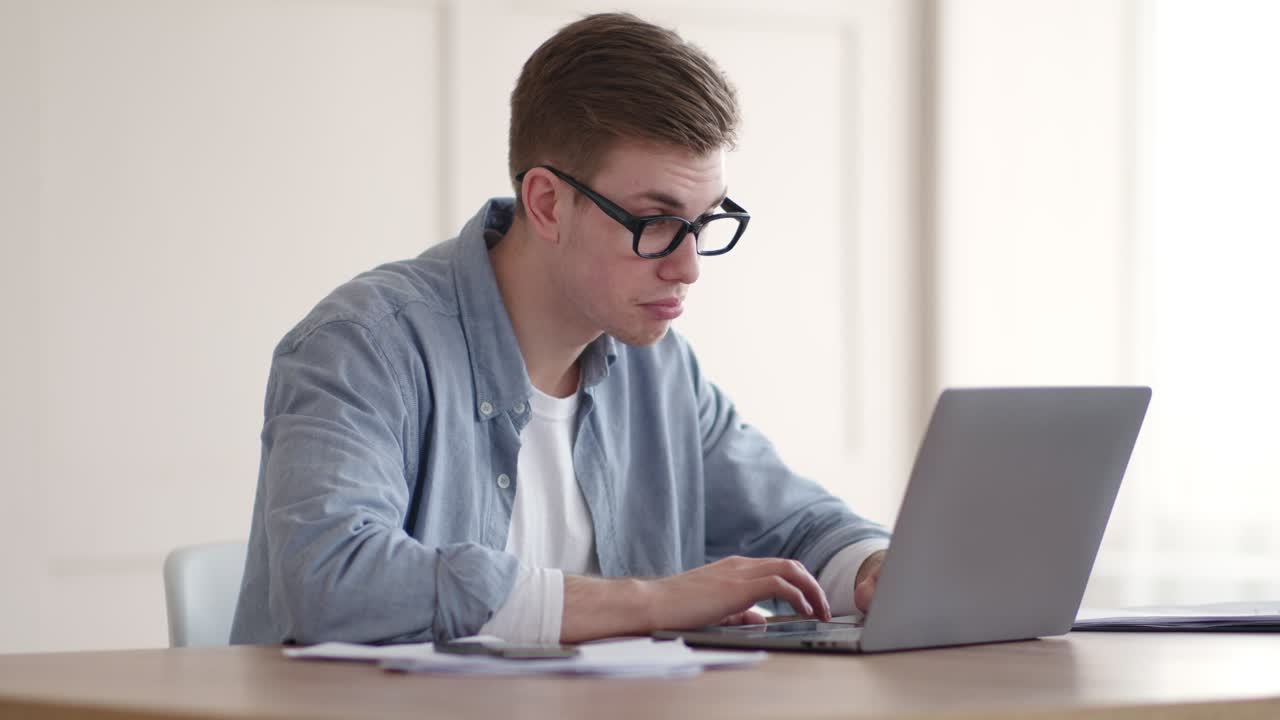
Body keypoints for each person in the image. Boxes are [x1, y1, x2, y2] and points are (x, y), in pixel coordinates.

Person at [230, 12, 889, 646]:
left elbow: (798, 526)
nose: (688, 266)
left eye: (705, 221)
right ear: (547, 202)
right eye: (655, 220)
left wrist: (872, 573)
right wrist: (649, 602)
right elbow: (332, 579)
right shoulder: (364, 345)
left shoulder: (660, 372)